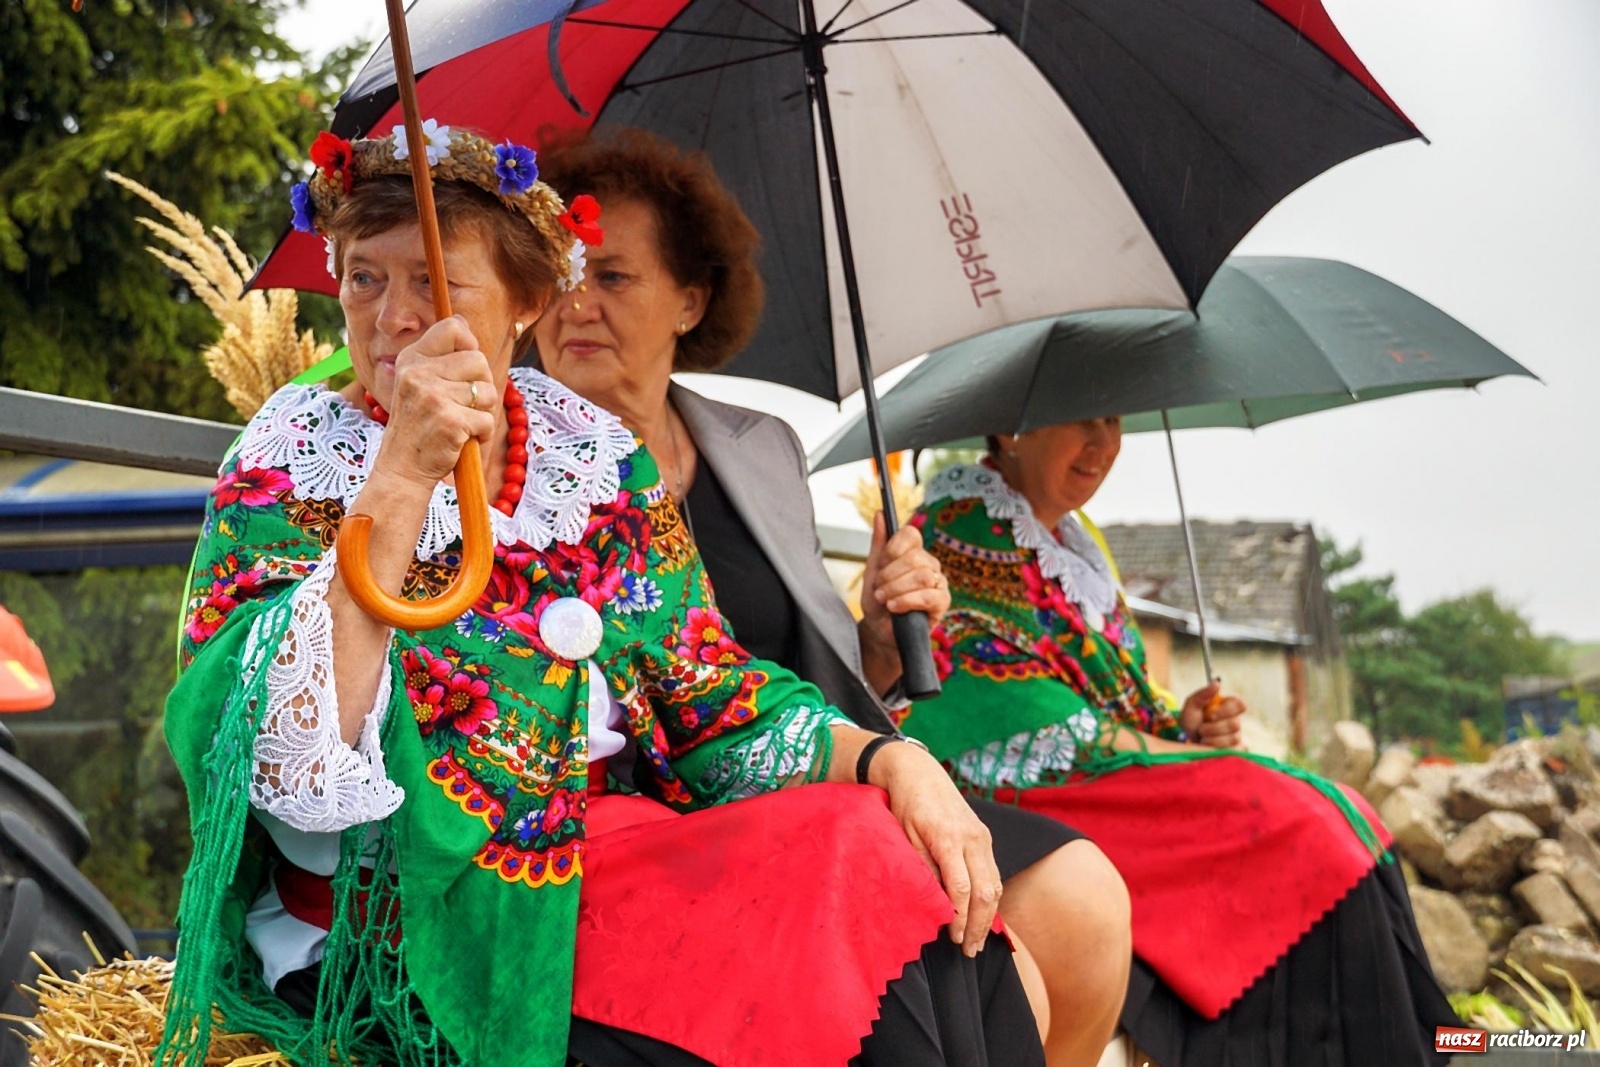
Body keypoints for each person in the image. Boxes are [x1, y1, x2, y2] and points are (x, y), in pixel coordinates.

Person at [158, 124, 1043, 1067]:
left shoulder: (592, 453)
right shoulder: (297, 445)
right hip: (409, 915)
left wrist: (888, 761)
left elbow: (707, 690)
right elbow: (277, 762)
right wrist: (401, 474)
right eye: (365, 278)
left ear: (528, 302)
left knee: (886, 865)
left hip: (610, 865)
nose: (394, 316)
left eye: (437, 283)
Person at [532, 128, 1130, 1067]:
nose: (576, 302)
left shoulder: (759, 447)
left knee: (1079, 897)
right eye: (559, 271)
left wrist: (885, 643)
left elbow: (819, 676)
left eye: (613, 277)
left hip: (810, 770)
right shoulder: (506, 452)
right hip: (660, 815)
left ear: (691, 299)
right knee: (1010, 980)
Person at [900, 418, 1461, 1065]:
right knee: (1300, 819)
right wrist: (1174, 750)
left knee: (1336, 809)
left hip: (1110, 767)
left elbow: (1122, 688)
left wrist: (1183, 727)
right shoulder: (960, 525)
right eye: (1080, 416)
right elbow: (1007, 707)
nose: (1102, 443)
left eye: (1112, 421)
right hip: (1041, 791)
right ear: (1010, 428)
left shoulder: (1076, 545)